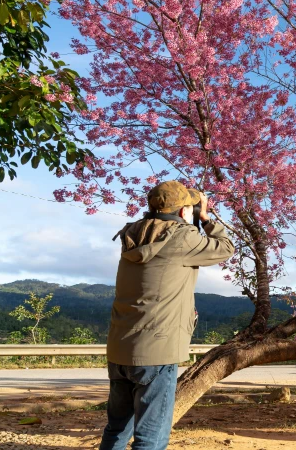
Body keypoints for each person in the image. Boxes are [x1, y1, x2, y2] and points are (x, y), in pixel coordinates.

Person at [100, 181, 235, 450]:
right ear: (185, 211)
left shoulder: (132, 233)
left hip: (120, 348)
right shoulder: (183, 237)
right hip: (157, 351)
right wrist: (206, 218)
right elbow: (226, 248)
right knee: (150, 438)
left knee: (117, 429)